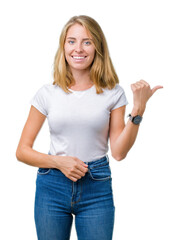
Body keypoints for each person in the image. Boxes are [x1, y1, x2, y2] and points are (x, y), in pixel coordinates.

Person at [16, 15, 163, 240]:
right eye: (72, 41)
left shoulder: (113, 93)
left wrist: (138, 110)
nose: (79, 49)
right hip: (52, 185)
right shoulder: (47, 94)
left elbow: (119, 152)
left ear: (97, 47)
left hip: (96, 185)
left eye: (87, 41)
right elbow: (22, 151)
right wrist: (58, 161)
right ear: (63, 46)